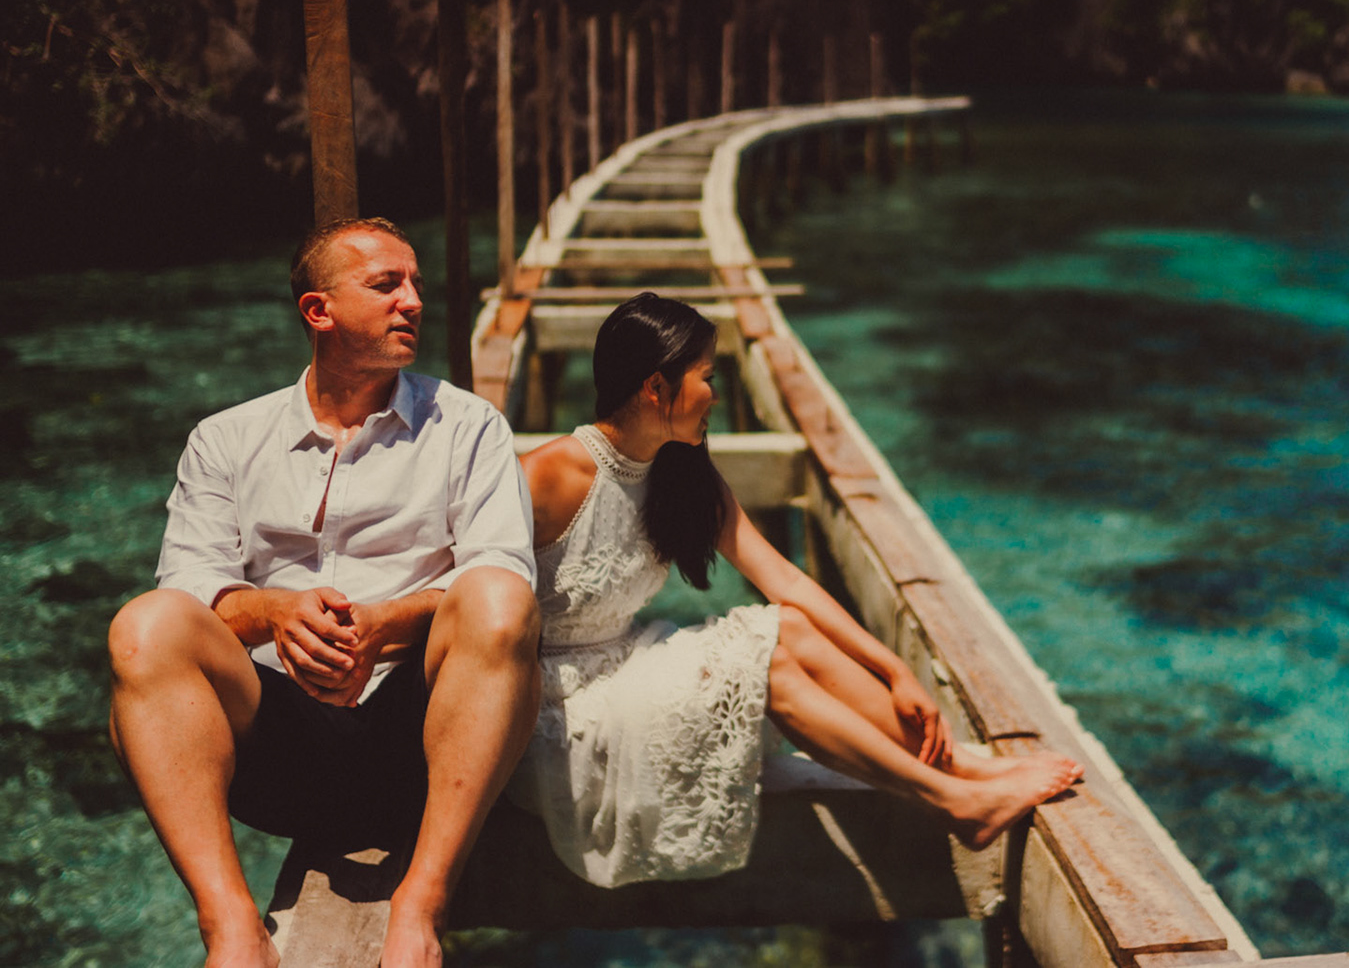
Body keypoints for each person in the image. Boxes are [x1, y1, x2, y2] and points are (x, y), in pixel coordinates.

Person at [513, 292, 1081, 886]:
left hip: (629, 664)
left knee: (787, 629)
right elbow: (458, 604)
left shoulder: (680, 472)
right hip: (558, 716)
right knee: (764, 667)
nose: (716, 393)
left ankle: (960, 767)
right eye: (706, 377)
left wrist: (893, 670)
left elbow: (784, 580)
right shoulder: (545, 475)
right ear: (657, 387)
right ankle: (951, 801)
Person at [106, 217, 542, 968]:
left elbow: (504, 570)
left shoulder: (470, 427)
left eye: (416, 286)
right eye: (386, 285)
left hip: (424, 743)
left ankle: (422, 905)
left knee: (502, 598)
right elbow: (189, 584)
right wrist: (276, 613)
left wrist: (386, 625)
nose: (413, 301)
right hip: (275, 750)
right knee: (144, 629)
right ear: (319, 310)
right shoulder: (225, 438)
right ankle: (230, 925)